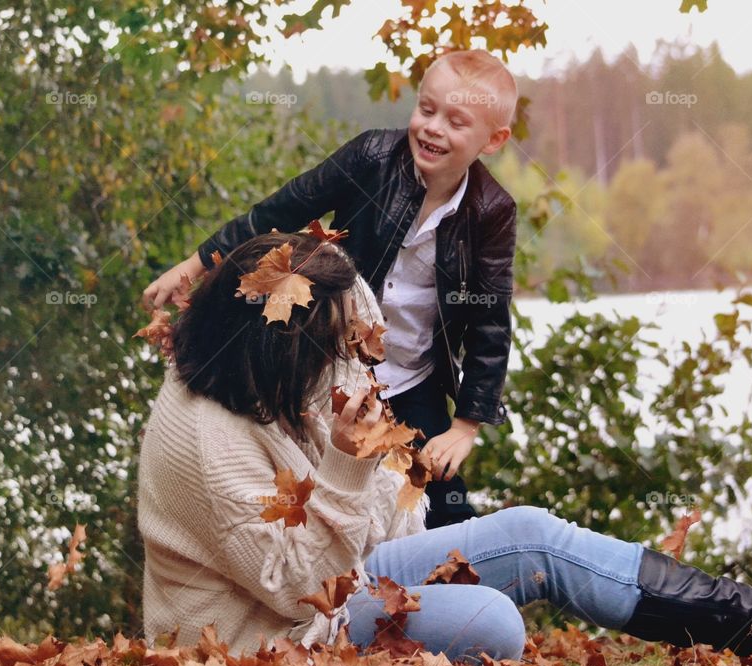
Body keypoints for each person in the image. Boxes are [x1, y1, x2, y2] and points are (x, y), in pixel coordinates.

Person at [137, 232, 752, 666]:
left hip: (334, 575)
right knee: (495, 624)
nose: (351, 363)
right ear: (279, 346)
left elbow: (366, 534)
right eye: (332, 347)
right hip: (267, 635)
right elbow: (297, 587)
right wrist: (348, 465)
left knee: (529, 532)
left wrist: (371, 462)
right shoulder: (206, 437)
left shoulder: (264, 371)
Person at [141, 50, 521, 529]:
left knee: (444, 513)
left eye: (456, 121)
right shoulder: (371, 159)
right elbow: (275, 215)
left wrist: (466, 426)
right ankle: (310, 590)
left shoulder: (492, 211)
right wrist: (194, 266)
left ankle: (461, 595)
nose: (433, 128)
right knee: (320, 495)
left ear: (494, 139)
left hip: (412, 378)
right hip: (331, 366)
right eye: (426, 110)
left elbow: (490, 322)